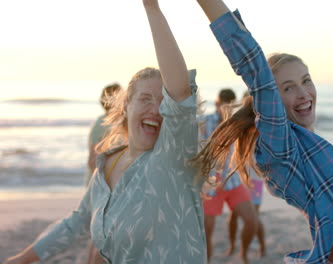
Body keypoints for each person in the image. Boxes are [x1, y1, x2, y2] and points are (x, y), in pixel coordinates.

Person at [2, 0, 207, 263]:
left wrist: (152, 8)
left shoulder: (173, 160)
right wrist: (21, 259)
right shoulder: (107, 165)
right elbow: (77, 222)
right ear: (126, 107)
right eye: (145, 98)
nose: (156, 109)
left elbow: (180, 93)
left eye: (162, 102)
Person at [193, 1, 333, 263]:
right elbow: (253, 63)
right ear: (272, 101)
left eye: (306, 80)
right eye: (288, 88)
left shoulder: (309, 145)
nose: (304, 93)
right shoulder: (280, 147)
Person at [199, 88, 257, 264]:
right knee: (207, 232)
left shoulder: (239, 122)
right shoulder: (205, 122)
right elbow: (183, 123)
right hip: (210, 186)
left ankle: (243, 254)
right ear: (216, 104)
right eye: (220, 105)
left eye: (229, 107)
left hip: (232, 182)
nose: (224, 110)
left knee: (252, 221)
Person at [227, 92, 266, 258]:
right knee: (233, 215)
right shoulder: (240, 126)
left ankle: (261, 247)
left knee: (254, 218)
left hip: (255, 181)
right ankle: (233, 245)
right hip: (239, 179)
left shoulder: (263, 126)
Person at [85, 83, 121, 186]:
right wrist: (101, 187)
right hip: (100, 184)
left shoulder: (123, 122)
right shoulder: (101, 124)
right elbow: (92, 161)